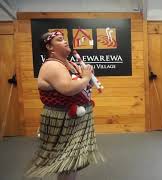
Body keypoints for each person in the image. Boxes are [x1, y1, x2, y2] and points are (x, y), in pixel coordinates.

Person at [25, 31, 104, 180]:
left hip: (77, 117)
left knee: (71, 162)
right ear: (50, 47)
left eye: (65, 39)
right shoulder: (52, 65)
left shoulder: (70, 63)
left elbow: (81, 86)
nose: (66, 42)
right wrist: (86, 77)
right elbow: (68, 89)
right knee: (66, 162)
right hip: (63, 118)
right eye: (60, 40)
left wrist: (88, 78)